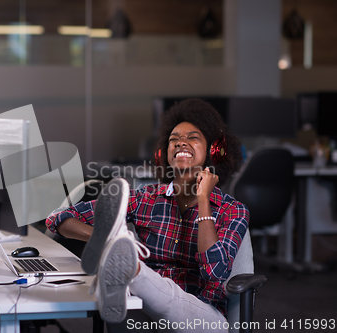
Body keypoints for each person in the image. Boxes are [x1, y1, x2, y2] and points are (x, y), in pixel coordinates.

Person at [46, 98, 248, 332]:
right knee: (141, 288)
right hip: (146, 303)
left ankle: (129, 269)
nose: (181, 143)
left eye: (192, 137)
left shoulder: (233, 210)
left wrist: (204, 199)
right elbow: (58, 218)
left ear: (214, 150)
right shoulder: (145, 198)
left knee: (166, 294)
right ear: (164, 154)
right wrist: (104, 240)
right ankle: (119, 254)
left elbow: (213, 272)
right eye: (174, 140)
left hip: (204, 314)